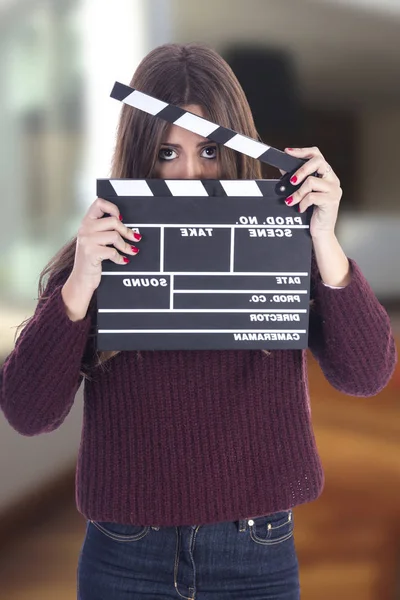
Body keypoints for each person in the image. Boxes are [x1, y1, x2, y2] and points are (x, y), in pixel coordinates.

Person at [0, 42, 397, 600]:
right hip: (125, 554)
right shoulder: (97, 254)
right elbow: (27, 411)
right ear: (138, 155)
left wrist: (323, 243)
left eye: (209, 152)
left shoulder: (287, 248)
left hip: (255, 550)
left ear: (237, 152)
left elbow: (366, 375)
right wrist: (81, 283)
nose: (189, 175)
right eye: (167, 153)